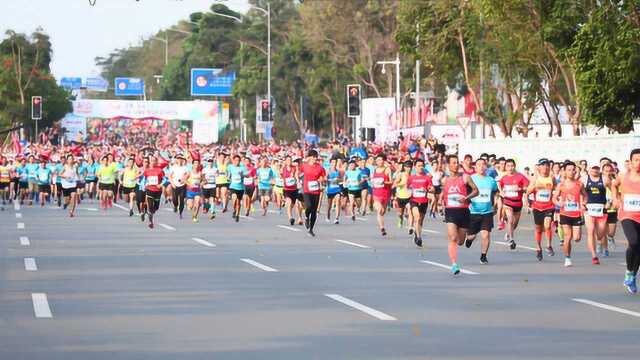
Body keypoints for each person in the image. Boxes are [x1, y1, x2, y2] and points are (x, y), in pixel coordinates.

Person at [442, 155, 479, 275]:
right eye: (453, 163)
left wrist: (466, 198)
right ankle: (454, 264)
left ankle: (469, 238)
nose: (456, 165)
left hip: (463, 211)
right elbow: (444, 195)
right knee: (453, 238)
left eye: (457, 162)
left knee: (460, 241)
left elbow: (476, 190)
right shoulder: (445, 180)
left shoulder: (465, 177)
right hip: (450, 211)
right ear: (448, 165)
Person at [612, 148, 640, 294]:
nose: (639, 162)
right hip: (627, 214)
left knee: (639, 248)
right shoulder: (623, 176)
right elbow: (613, 185)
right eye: (636, 160)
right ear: (630, 161)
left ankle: (632, 276)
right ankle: (629, 271)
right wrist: (615, 198)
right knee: (634, 242)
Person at [553, 161, 586, 267]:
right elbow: (554, 198)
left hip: (576, 214)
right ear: (565, 172)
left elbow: (585, 195)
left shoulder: (579, 184)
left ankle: (568, 256)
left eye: (573, 170)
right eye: (569, 170)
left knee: (577, 238)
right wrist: (558, 202)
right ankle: (567, 258)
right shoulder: (561, 185)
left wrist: (584, 204)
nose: (572, 172)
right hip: (565, 213)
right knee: (568, 236)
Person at [466, 158, 498, 264]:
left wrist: (496, 205)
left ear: (486, 167)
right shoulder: (471, 179)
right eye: (478, 165)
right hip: (473, 212)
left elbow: (495, 193)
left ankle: (483, 256)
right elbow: (466, 193)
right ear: (475, 167)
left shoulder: (491, 180)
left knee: (486, 235)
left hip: (487, 212)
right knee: (472, 235)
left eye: (483, 164)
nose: (481, 167)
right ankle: (469, 239)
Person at [526, 159, 556, 261]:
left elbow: (556, 189)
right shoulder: (535, 179)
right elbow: (528, 192)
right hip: (537, 207)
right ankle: (538, 248)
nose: (545, 167)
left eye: (547, 165)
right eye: (543, 165)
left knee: (547, 226)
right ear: (539, 167)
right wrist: (535, 188)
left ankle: (548, 245)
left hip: (549, 206)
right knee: (538, 229)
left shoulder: (552, 178)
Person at [499, 159, 530, 250]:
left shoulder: (520, 176)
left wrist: (520, 189)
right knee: (510, 220)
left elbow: (527, 187)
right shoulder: (504, 178)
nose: (510, 168)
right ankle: (512, 240)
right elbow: (499, 187)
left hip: (518, 203)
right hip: (507, 203)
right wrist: (501, 192)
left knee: (514, 224)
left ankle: (508, 232)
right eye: (508, 166)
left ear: (514, 166)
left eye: (512, 166)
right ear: (505, 167)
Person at [583, 165, 609, 264]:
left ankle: (599, 242)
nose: (594, 170)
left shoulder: (605, 179)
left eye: (596, 168)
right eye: (593, 168)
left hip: (601, 208)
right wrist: (582, 203)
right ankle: (594, 256)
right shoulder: (585, 179)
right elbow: (580, 191)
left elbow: (613, 189)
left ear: (599, 169)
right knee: (591, 230)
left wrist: (610, 202)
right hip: (589, 208)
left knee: (600, 234)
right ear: (589, 169)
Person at [407, 158, 434, 246]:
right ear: (415, 167)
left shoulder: (427, 178)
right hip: (414, 200)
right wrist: (409, 190)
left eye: (422, 166)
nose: (420, 168)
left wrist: (429, 189)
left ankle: (416, 232)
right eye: (418, 166)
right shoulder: (411, 178)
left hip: (424, 201)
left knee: (420, 220)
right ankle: (419, 237)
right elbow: (406, 188)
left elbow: (432, 188)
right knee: (417, 218)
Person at [299, 149, 326, 237]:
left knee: (314, 211)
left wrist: (322, 179)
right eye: (313, 157)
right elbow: (299, 173)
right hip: (307, 190)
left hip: (316, 190)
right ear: (309, 157)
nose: (315, 158)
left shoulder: (320, 167)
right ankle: (306, 217)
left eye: (316, 157)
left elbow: (324, 177)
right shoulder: (304, 166)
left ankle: (311, 229)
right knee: (309, 206)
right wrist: (299, 181)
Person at [371, 154, 393, 236]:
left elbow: (391, 182)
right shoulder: (374, 170)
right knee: (379, 210)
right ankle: (382, 228)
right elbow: (372, 180)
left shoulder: (387, 170)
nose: (378, 162)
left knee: (383, 211)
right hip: (376, 193)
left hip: (385, 193)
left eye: (380, 160)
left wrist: (384, 182)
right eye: (377, 160)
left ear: (383, 160)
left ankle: (382, 225)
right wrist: (372, 182)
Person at [143, 156, 165, 229]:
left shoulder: (160, 170)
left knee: (156, 207)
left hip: (158, 191)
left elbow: (165, 180)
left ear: (156, 162)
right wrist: (144, 185)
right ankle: (150, 221)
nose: (153, 162)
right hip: (149, 189)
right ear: (150, 162)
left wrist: (161, 185)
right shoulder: (147, 170)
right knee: (150, 206)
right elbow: (144, 179)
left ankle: (151, 213)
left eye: (154, 161)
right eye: (151, 160)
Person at [227, 155, 247, 222]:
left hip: (240, 187)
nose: (237, 162)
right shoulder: (230, 167)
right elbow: (228, 174)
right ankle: (234, 209)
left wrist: (242, 175)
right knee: (234, 199)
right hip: (233, 186)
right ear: (233, 161)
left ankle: (237, 214)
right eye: (235, 160)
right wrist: (228, 177)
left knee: (238, 202)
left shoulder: (242, 168)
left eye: (238, 160)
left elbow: (246, 175)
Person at [393, 161, 413, 231]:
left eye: (410, 167)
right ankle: (400, 219)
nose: (409, 169)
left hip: (410, 196)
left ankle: (410, 227)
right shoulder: (401, 175)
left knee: (410, 210)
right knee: (400, 213)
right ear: (404, 167)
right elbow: (395, 184)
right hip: (401, 196)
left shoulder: (413, 175)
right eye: (407, 167)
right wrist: (402, 184)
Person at [169, 154, 189, 218]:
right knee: (175, 199)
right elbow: (170, 176)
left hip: (182, 185)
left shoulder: (185, 168)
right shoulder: (173, 167)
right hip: (175, 185)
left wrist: (184, 179)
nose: (179, 160)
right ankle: (175, 206)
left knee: (182, 199)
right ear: (176, 160)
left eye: (181, 159)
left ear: (182, 160)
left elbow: (188, 175)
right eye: (178, 159)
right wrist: (172, 183)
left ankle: (180, 212)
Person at [281, 156, 299, 225]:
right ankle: (290, 218)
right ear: (285, 161)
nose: (289, 161)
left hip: (294, 189)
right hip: (286, 189)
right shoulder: (283, 169)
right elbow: (280, 176)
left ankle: (290, 212)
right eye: (287, 160)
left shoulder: (294, 168)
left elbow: (297, 175)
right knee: (289, 202)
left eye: (290, 160)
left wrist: (294, 177)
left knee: (293, 204)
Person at [325, 157, 343, 224]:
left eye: (335, 162)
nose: (334, 164)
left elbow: (341, 180)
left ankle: (336, 218)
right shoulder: (328, 171)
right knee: (329, 204)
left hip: (337, 189)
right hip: (330, 190)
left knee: (338, 201)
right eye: (332, 162)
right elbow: (324, 180)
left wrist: (338, 180)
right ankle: (328, 215)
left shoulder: (338, 171)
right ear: (330, 163)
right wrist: (329, 180)